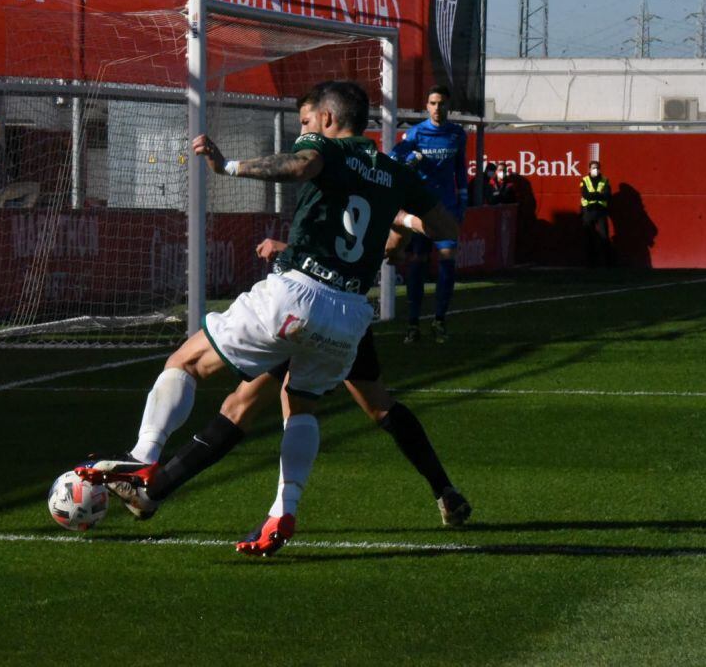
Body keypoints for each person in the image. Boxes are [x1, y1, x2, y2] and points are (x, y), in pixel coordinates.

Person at [76, 80, 457, 556]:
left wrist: (227, 165)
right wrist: (401, 225)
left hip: (297, 295)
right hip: (349, 315)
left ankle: (142, 458)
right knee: (299, 407)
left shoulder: (325, 148)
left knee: (187, 362)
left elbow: (300, 165)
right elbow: (445, 228)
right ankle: (283, 509)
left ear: (328, 119)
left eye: (306, 121)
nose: (304, 129)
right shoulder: (395, 172)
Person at [104, 226, 471, 540]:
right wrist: (401, 233)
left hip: (304, 305)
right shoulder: (378, 179)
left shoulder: (328, 165)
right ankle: (445, 491)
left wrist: (286, 248)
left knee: (239, 404)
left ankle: (150, 482)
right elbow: (388, 239)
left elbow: (329, 244)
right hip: (348, 316)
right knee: (379, 405)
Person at [389, 85, 468, 345]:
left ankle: (439, 321)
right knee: (418, 263)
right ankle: (413, 324)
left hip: (446, 209)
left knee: (447, 262)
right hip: (421, 210)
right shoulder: (415, 133)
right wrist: (409, 157)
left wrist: (463, 200)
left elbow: (460, 168)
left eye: (442, 103)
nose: (437, 108)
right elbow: (393, 159)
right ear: (427, 106)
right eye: (433, 103)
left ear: (449, 107)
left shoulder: (457, 135)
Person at [580, 160, 612, 267]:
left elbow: (607, 195)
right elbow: (585, 195)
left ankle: (605, 263)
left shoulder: (605, 180)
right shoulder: (584, 180)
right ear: (589, 169)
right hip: (588, 211)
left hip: (601, 211)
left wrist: (594, 195)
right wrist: (599, 194)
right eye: (593, 168)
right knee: (588, 237)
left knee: (604, 237)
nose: (595, 170)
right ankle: (589, 263)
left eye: (597, 168)